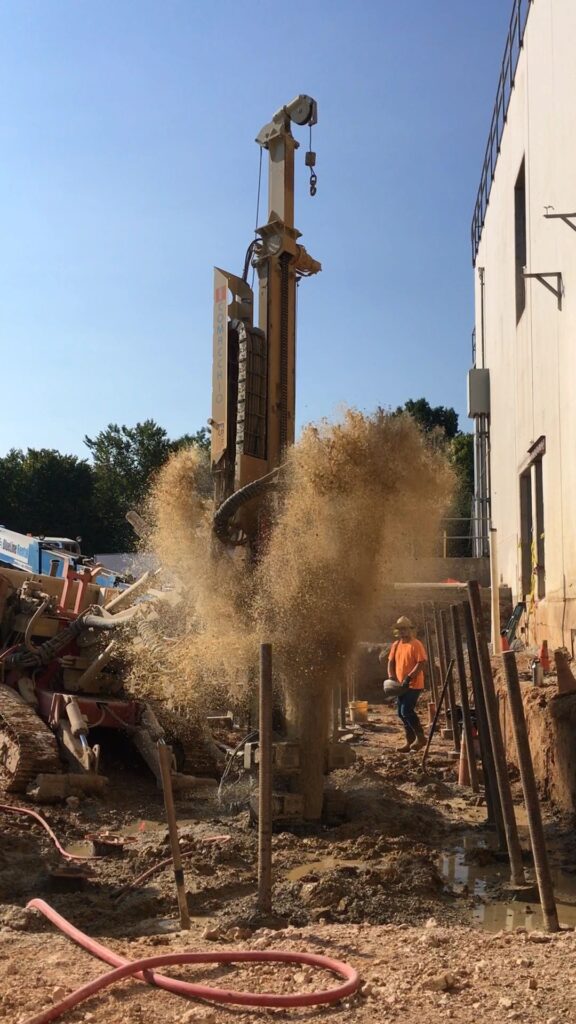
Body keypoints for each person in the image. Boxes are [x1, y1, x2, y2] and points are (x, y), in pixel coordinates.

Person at [387, 615, 427, 752]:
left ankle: (420, 737)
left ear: (410, 630)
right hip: (400, 685)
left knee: (406, 710)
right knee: (400, 712)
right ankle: (410, 741)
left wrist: (409, 677)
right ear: (397, 631)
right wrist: (391, 677)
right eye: (400, 629)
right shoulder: (396, 645)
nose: (403, 632)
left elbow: (421, 663)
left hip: (414, 684)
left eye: (405, 629)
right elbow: (391, 662)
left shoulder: (416, 644)